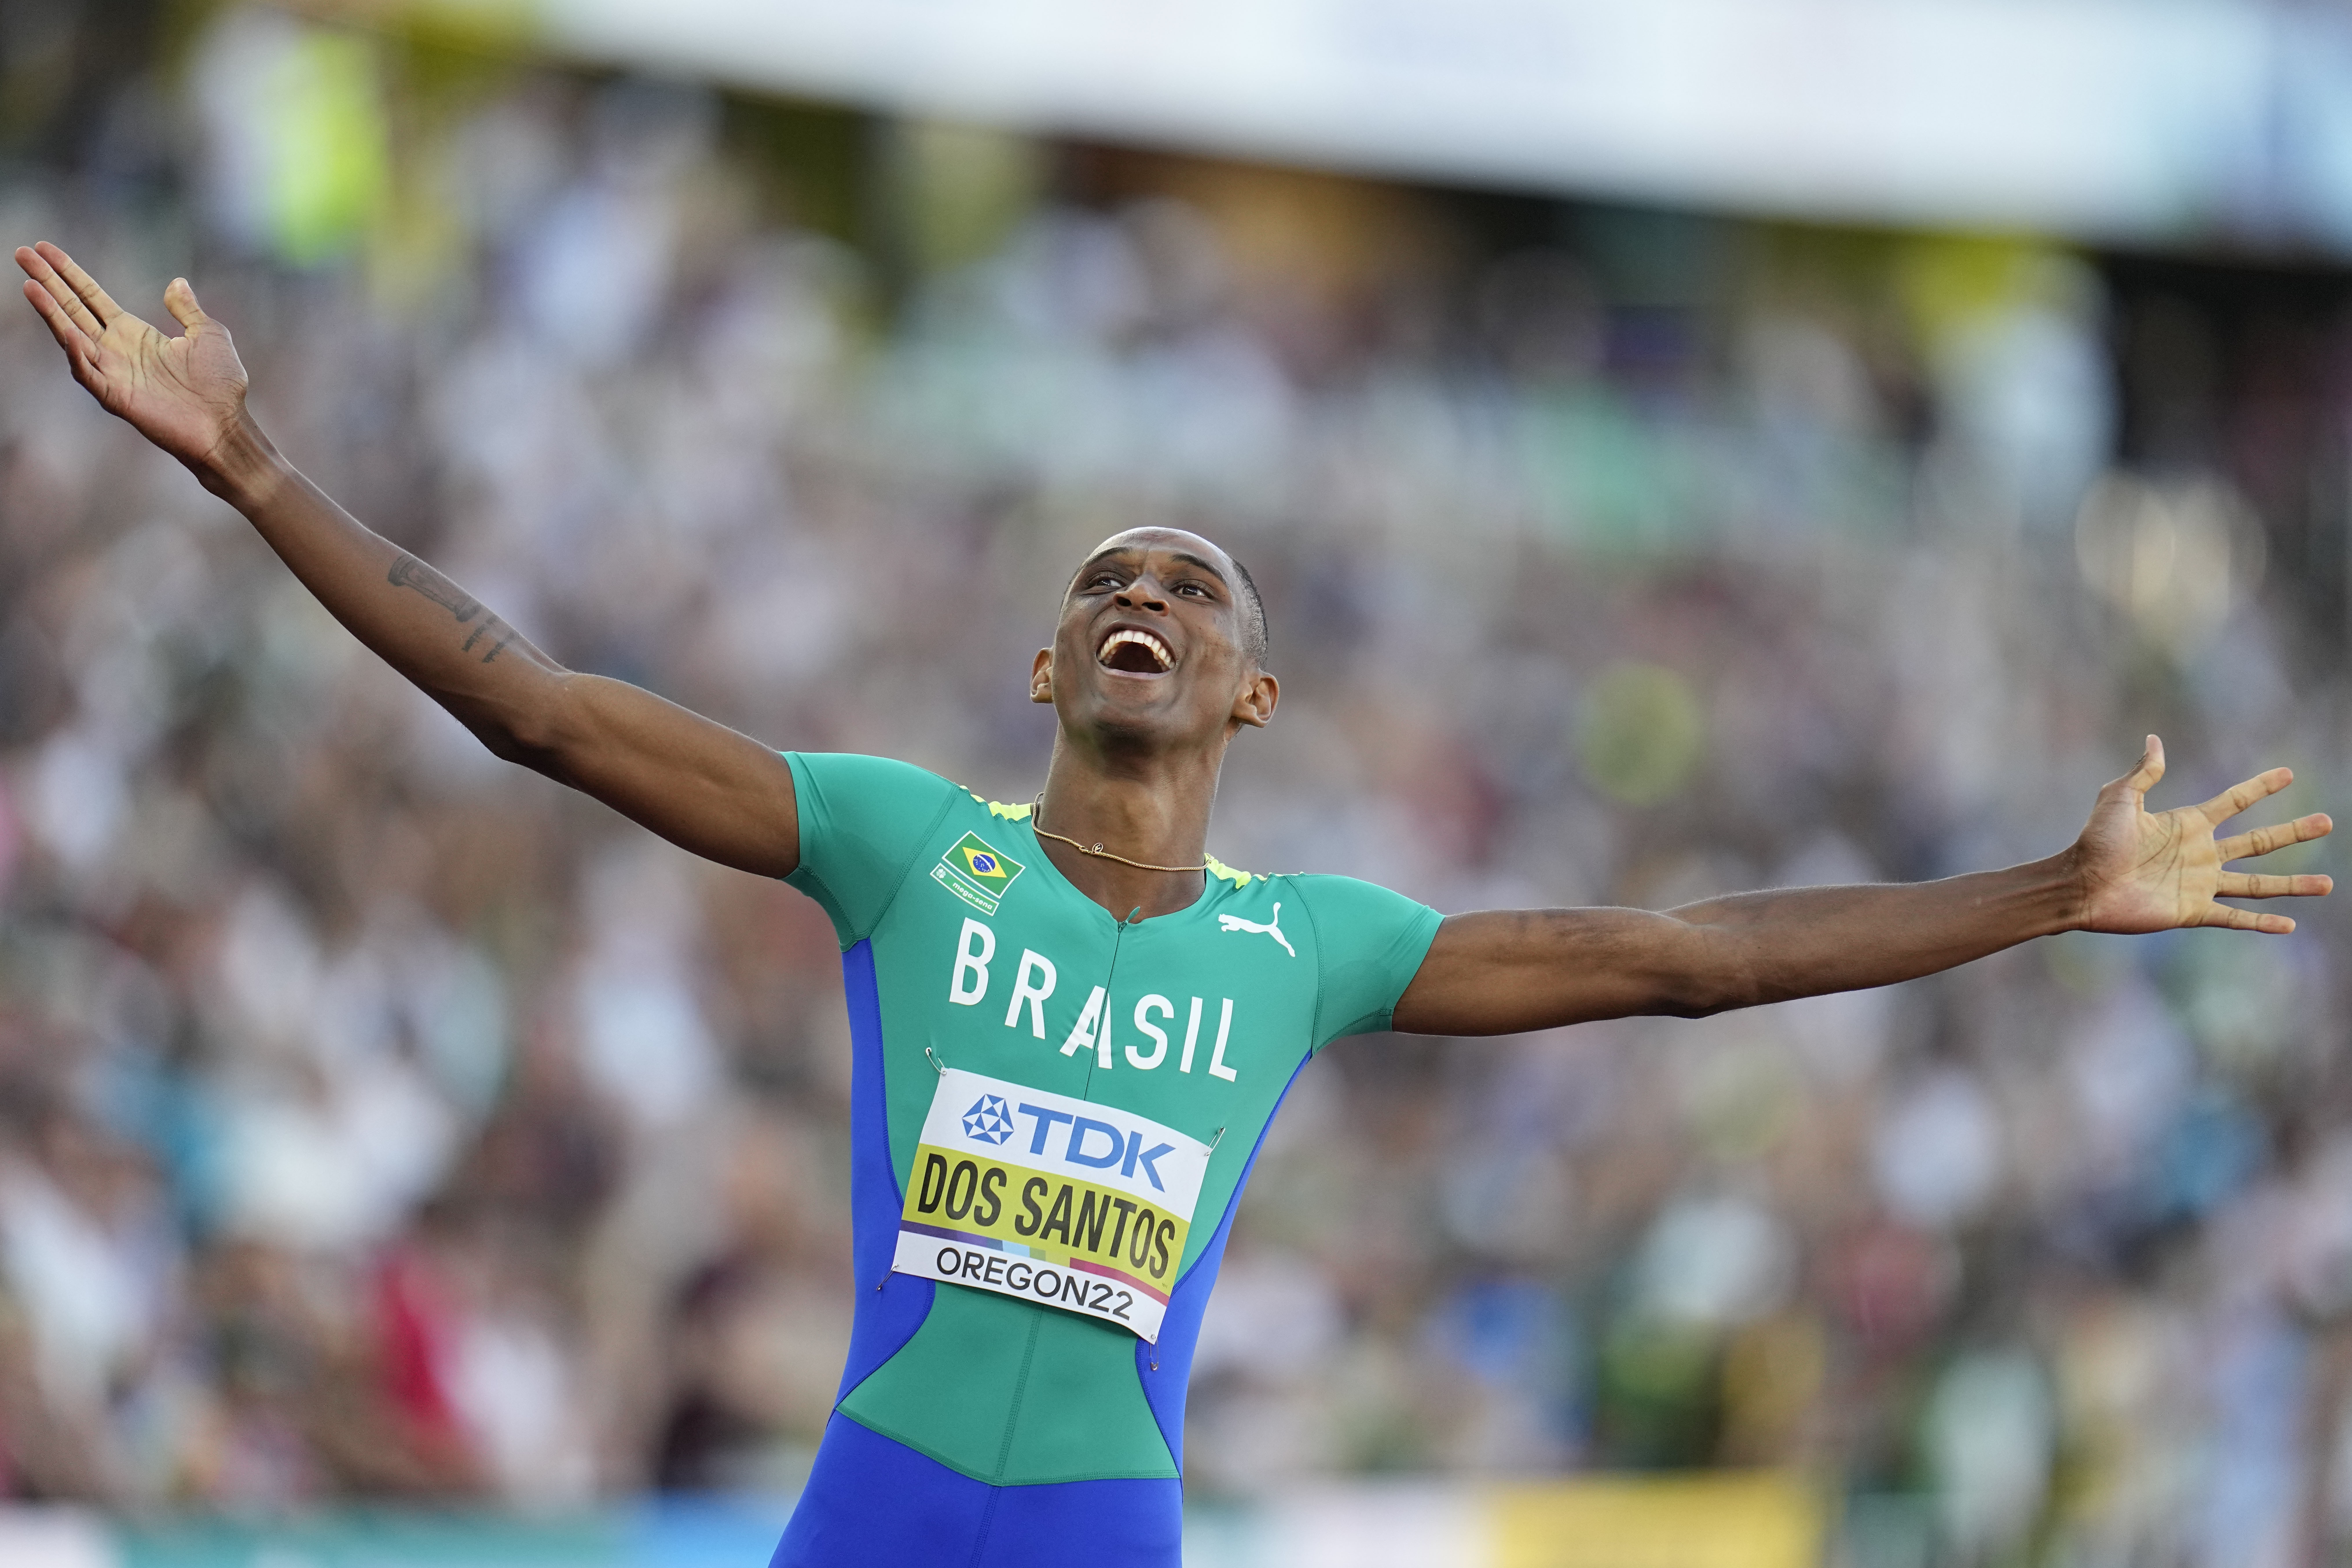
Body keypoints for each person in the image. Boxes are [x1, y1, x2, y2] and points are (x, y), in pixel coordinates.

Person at [15, 243, 2333, 1565]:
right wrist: (255, 467)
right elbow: (529, 703)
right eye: (1109, 579)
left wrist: (2047, 889)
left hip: (1106, 1529)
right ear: (1048, 666)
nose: (1146, 594)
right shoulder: (906, 843)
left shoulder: (1302, 945)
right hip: (884, 1499)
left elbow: (1682, 961)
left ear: (1249, 690)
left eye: (1192, 588)